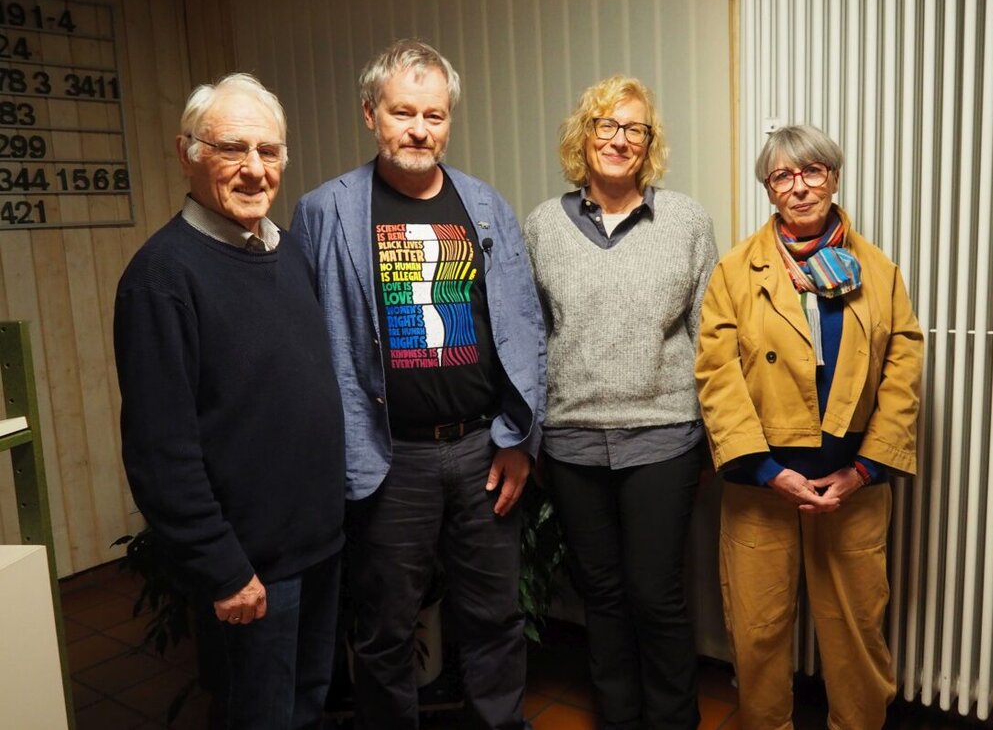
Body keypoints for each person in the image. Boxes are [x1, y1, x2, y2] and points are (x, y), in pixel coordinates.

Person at [291, 39, 545, 730]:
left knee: (494, 617)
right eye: (404, 112)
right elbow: (304, 343)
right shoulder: (326, 212)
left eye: (434, 115)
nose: (419, 129)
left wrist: (520, 438)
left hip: (480, 451)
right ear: (370, 113)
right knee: (385, 628)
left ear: (448, 121)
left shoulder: (484, 204)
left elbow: (522, 325)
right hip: (386, 458)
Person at [113, 73, 346, 729]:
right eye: (231, 149)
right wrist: (221, 566)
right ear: (188, 152)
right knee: (258, 717)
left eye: (269, 152)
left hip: (317, 551)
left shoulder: (289, 253)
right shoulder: (162, 279)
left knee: (305, 707)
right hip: (249, 572)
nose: (254, 169)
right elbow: (161, 451)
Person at [694, 124, 924, 729]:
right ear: (769, 191)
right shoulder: (734, 271)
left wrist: (866, 468)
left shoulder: (878, 270)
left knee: (857, 634)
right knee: (759, 634)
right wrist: (767, 471)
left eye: (812, 171)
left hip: (853, 484)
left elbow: (903, 368)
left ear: (834, 177)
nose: (799, 187)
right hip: (761, 485)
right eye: (783, 176)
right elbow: (716, 376)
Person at [522, 75, 718, 729]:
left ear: (649, 143)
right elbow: (532, 334)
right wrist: (531, 435)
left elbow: (709, 335)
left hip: (663, 437)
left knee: (655, 596)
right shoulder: (544, 225)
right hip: (573, 440)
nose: (619, 139)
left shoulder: (686, 220)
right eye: (606, 125)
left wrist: (717, 437)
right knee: (601, 596)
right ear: (585, 136)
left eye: (634, 128)